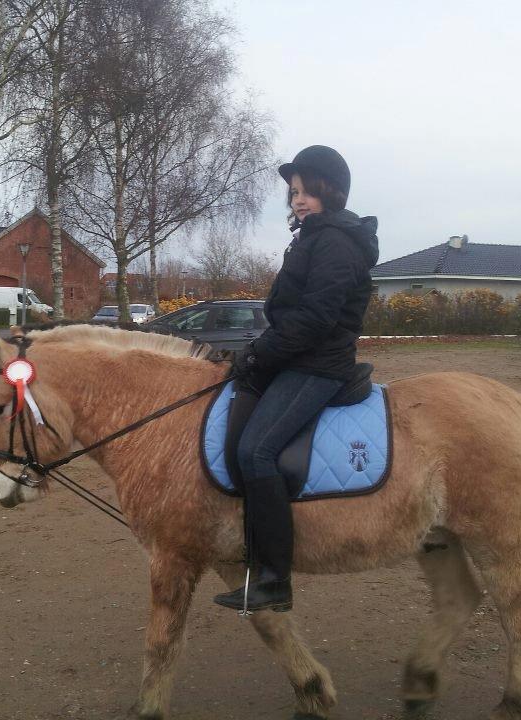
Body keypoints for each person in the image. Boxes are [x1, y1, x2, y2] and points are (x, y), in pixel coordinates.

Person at [213, 146, 379, 613]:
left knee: (256, 450)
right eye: (293, 193)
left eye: (306, 191)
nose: (298, 200)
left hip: (319, 364)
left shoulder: (336, 242)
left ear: (330, 191)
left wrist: (261, 352)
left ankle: (274, 580)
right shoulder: (311, 237)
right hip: (298, 356)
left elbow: (316, 317)